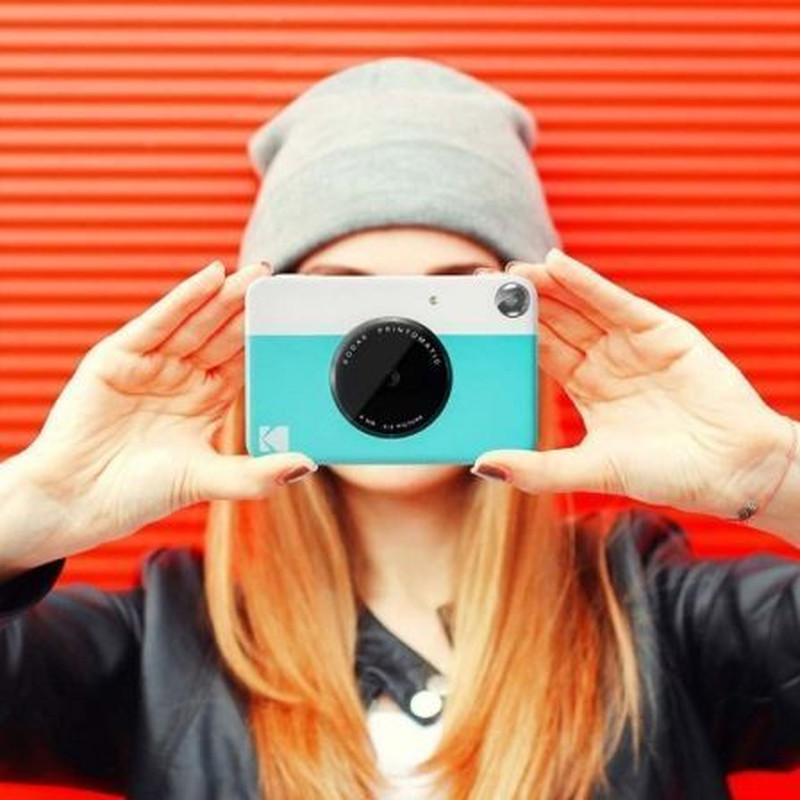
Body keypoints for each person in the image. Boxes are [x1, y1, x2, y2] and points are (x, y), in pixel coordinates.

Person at [0, 56, 798, 800]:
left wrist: (771, 472)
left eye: (452, 297)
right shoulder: (159, 644)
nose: (397, 349)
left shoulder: (656, 618)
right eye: (342, 298)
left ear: (532, 332)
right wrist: (38, 503)